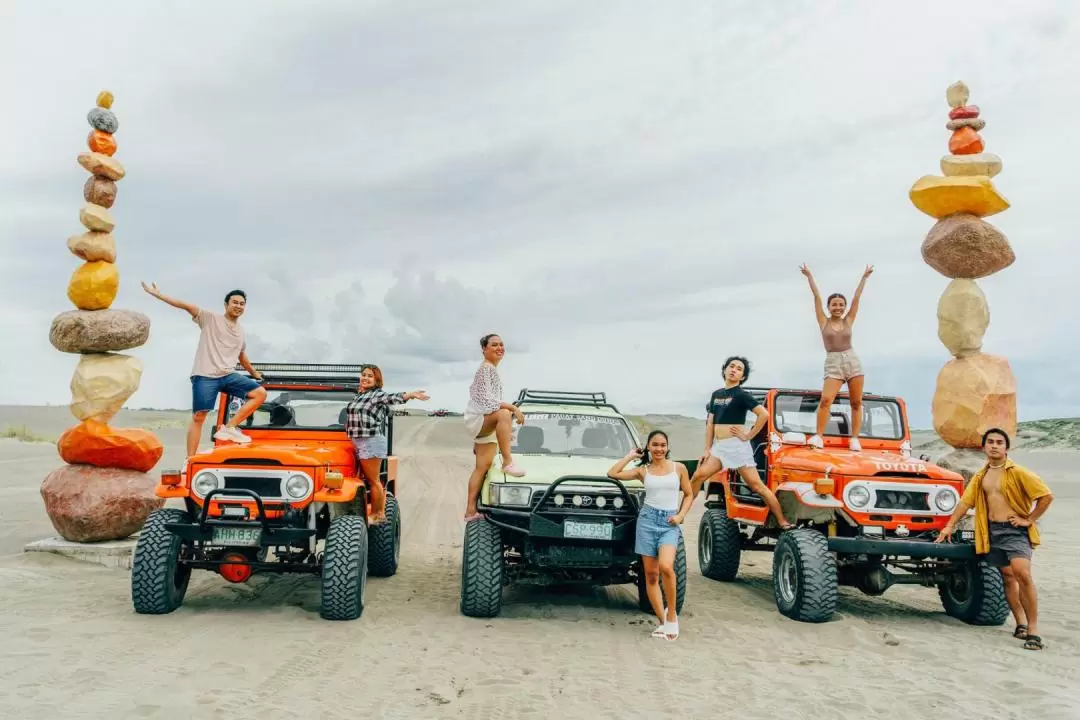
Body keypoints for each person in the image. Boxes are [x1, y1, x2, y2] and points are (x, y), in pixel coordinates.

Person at [935, 428, 1054, 651]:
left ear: (1006, 448)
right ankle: (1020, 623)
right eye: (990, 442)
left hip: (1015, 530)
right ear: (984, 447)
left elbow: (1046, 496)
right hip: (991, 531)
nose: (995, 445)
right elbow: (965, 503)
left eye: (1000, 442)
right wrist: (950, 525)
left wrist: (1029, 519)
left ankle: (1034, 631)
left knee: (1023, 574)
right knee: (1008, 578)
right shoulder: (981, 475)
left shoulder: (1019, 472)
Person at [141, 282, 267, 456]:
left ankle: (229, 427)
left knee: (259, 393)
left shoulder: (240, 331)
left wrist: (254, 373)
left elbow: (241, 356)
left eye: (242, 303)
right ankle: (190, 459)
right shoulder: (210, 318)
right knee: (199, 417)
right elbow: (185, 306)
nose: (238, 306)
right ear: (226, 304)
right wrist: (158, 294)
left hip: (228, 375)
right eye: (235, 302)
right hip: (205, 375)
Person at [688, 356, 793, 530]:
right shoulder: (716, 394)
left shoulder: (742, 395)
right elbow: (710, 424)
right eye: (731, 366)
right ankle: (683, 511)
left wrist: (748, 435)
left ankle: (782, 521)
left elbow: (764, 415)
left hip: (736, 447)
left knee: (757, 486)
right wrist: (707, 449)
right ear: (725, 370)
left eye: (739, 369)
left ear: (742, 377)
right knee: (698, 475)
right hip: (719, 447)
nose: (734, 370)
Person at [608, 430, 693, 641]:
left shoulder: (678, 468)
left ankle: (672, 614)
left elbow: (689, 494)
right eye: (655, 445)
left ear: (668, 447)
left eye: (663, 445)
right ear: (648, 447)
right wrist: (630, 456)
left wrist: (681, 515)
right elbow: (613, 473)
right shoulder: (643, 470)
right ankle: (663, 623)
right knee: (651, 575)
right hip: (646, 522)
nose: (659, 449)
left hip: (668, 523)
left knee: (666, 567)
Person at [798, 263, 873, 451]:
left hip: (852, 360)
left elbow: (857, 298)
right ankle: (819, 436)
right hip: (833, 362)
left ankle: (854, 438)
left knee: (856, 402)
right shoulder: (823, 321)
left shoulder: (849, 320)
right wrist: (809, 277)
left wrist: (864, 277)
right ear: (829, 307)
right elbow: (816, 297)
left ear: (845, 307)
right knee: (826, 400)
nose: (838, 307)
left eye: (841, 305)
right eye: (834, 305)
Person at [344, 364, 429, 525]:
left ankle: (378, 514)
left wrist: (409, 395)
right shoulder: (360, 395)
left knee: (373, 480)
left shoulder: (376, 395)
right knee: (364, 479)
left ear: (377, 380)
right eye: (364, 375)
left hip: (370, 441)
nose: (365, 378)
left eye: (370, 376)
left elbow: (392, 398)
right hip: (358, 441)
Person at [463, 333, 525, 522]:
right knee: (504, 414)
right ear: (484, 349)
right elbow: (487, 402)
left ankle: (470, 511)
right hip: (479, 418)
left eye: (501, 345)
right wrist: (513, 407)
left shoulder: (491, 370)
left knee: (482, 468)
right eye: (494, 345)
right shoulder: (486, 369)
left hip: (484, 422)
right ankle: (508, 462)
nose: (499, 348)